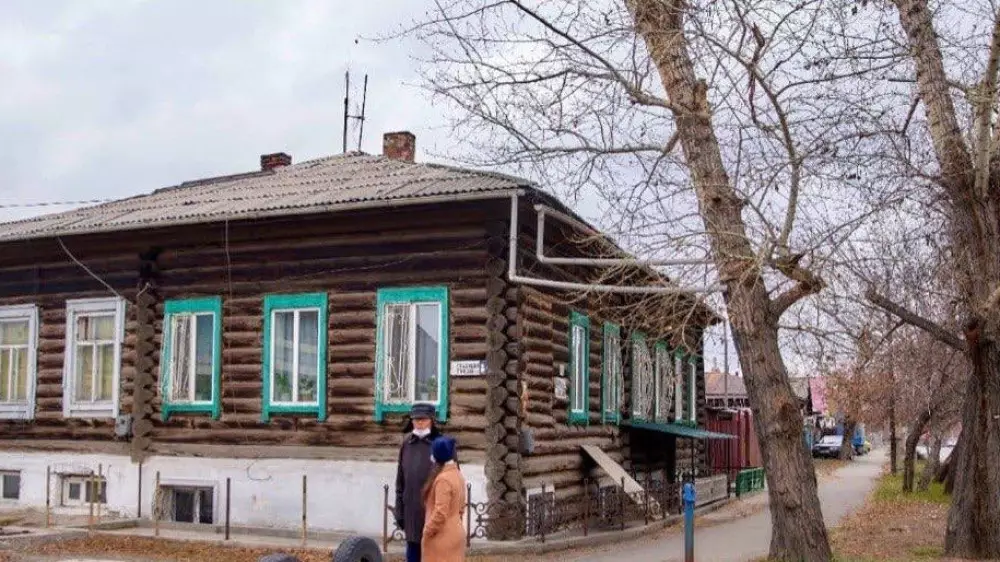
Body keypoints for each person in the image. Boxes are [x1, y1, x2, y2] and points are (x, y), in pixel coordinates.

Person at [394, 403, 441, 562]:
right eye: (416, 419)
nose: (420, 423)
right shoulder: (407, 444)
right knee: (413, 554)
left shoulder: (441, 444)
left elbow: (452, 478)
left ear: (432, 420)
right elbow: (400, 481)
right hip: (411, 512)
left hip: (433, 512)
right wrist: (399, 511)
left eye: (424, 419)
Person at [421, 436, 468, 562]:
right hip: (456, 531)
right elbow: (461, 508)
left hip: (442, 537)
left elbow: (441, 512)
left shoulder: (443, 480)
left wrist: (427, 531)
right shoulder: (457, 474)